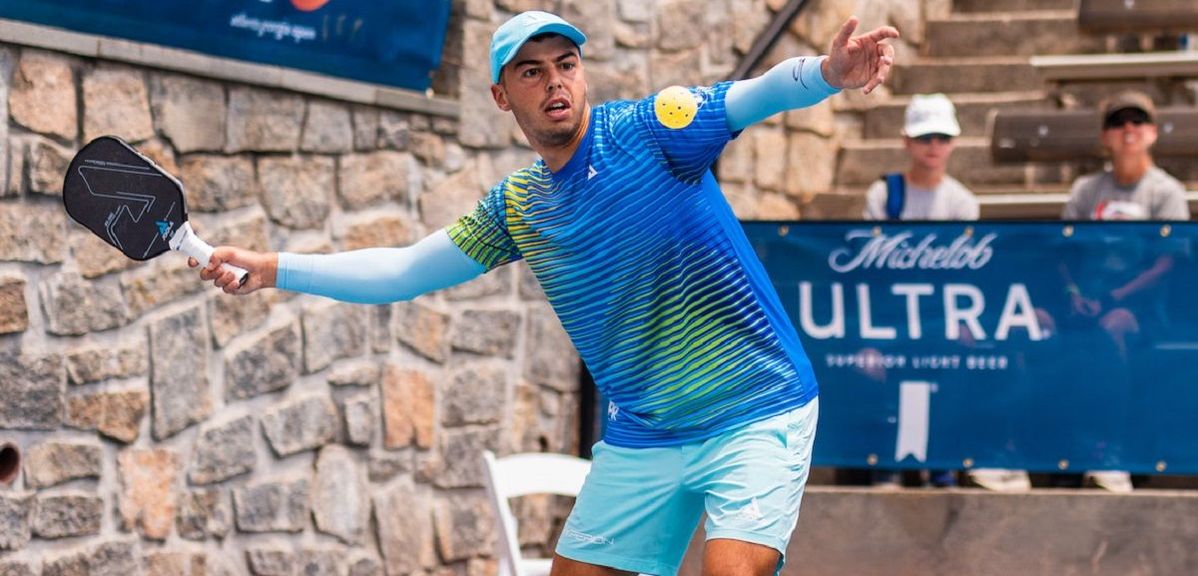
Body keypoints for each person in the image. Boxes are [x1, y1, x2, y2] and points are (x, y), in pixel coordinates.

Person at [195, 10, 897, 575]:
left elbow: (758, 94)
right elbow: (405, 271)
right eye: (531, 72)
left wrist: (828, 73)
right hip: (647, 433)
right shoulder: (516, 208)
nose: (554, 81)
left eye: (565, 64)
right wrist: (275, 267)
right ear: (503, 96)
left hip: (755, 407)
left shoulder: (654, 130)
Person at [1058, 90, 1190, 493]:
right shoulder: (1085, 190)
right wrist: (1073, 293)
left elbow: (1167, 264)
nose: (1128, 129)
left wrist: (1114, 299)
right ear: (1105, 136)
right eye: (1118, 122)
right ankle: (1016, 454)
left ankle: (1109, 451)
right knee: (1030, 328)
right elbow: (1062, 253)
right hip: (1089, 302)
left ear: (1152, 132)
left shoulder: (1165, 192)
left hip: (1143, 309)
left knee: (1111, 329)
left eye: (1137, 121)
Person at [862, 93, 978, 221]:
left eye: (943, 138)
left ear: (953, 142)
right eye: (925, 138)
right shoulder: (882, 194)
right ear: (906, 141)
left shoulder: (963, 202)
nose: (934, 146)